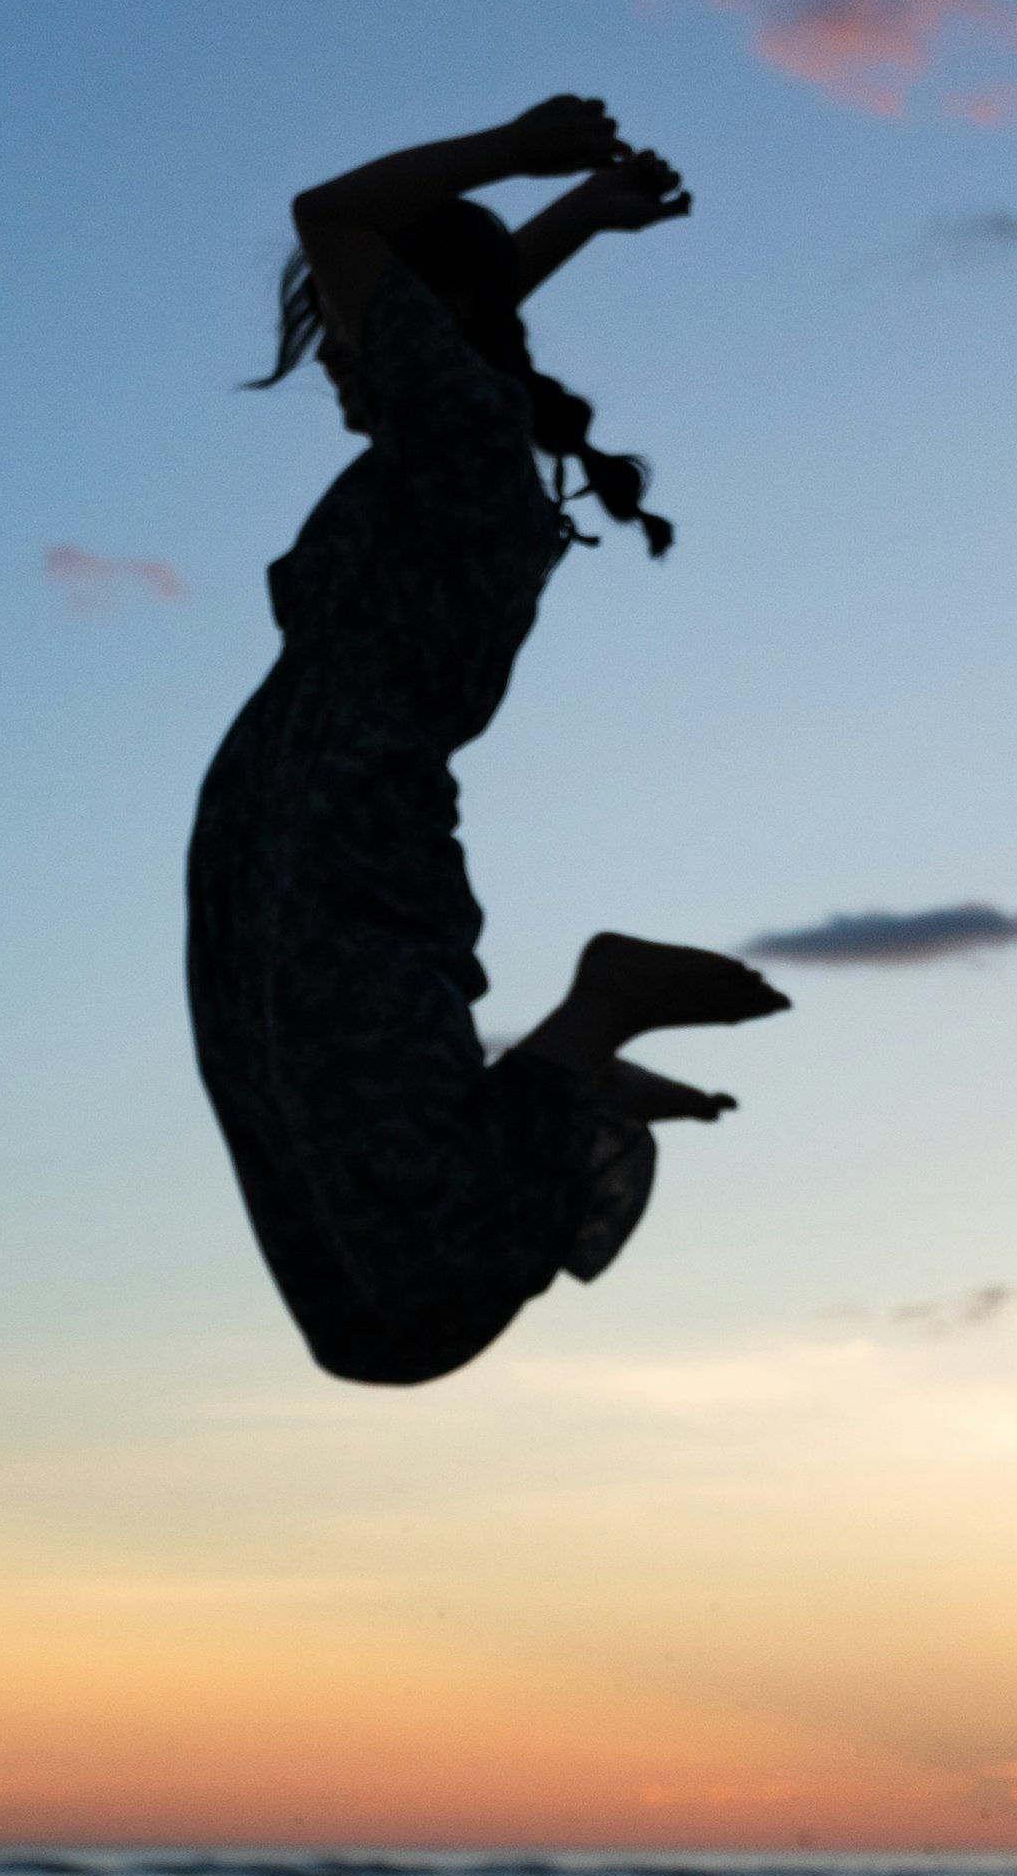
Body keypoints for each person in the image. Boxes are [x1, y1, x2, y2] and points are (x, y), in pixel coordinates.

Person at [187, 97, 789, 1386]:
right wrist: (579, 216)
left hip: (341, 834)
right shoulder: (443, 442)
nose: (341, 363)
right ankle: (574, 1065)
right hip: (275, 840)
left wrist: (522, 151)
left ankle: (596, 1021)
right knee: (353, 1271)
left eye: (351, 334)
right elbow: (460, 303)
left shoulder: (460, 441)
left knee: (400, 1297)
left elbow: (333, 218)